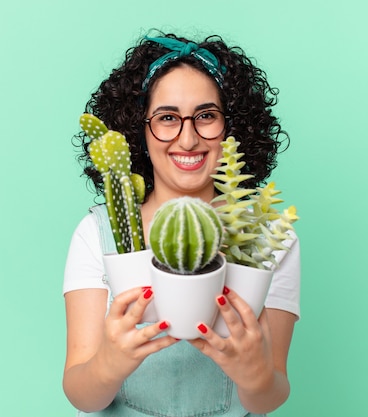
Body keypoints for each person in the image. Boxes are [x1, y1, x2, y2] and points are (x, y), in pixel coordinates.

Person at [63, 32, 300, 416]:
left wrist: (255, 375)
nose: (187, 139)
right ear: (138, 130)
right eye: (167, 118)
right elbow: (81, 395)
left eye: (206, 116)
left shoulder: (270, 236)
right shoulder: (97, 234)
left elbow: (270, 395)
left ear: (232, 127)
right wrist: (110, 362)